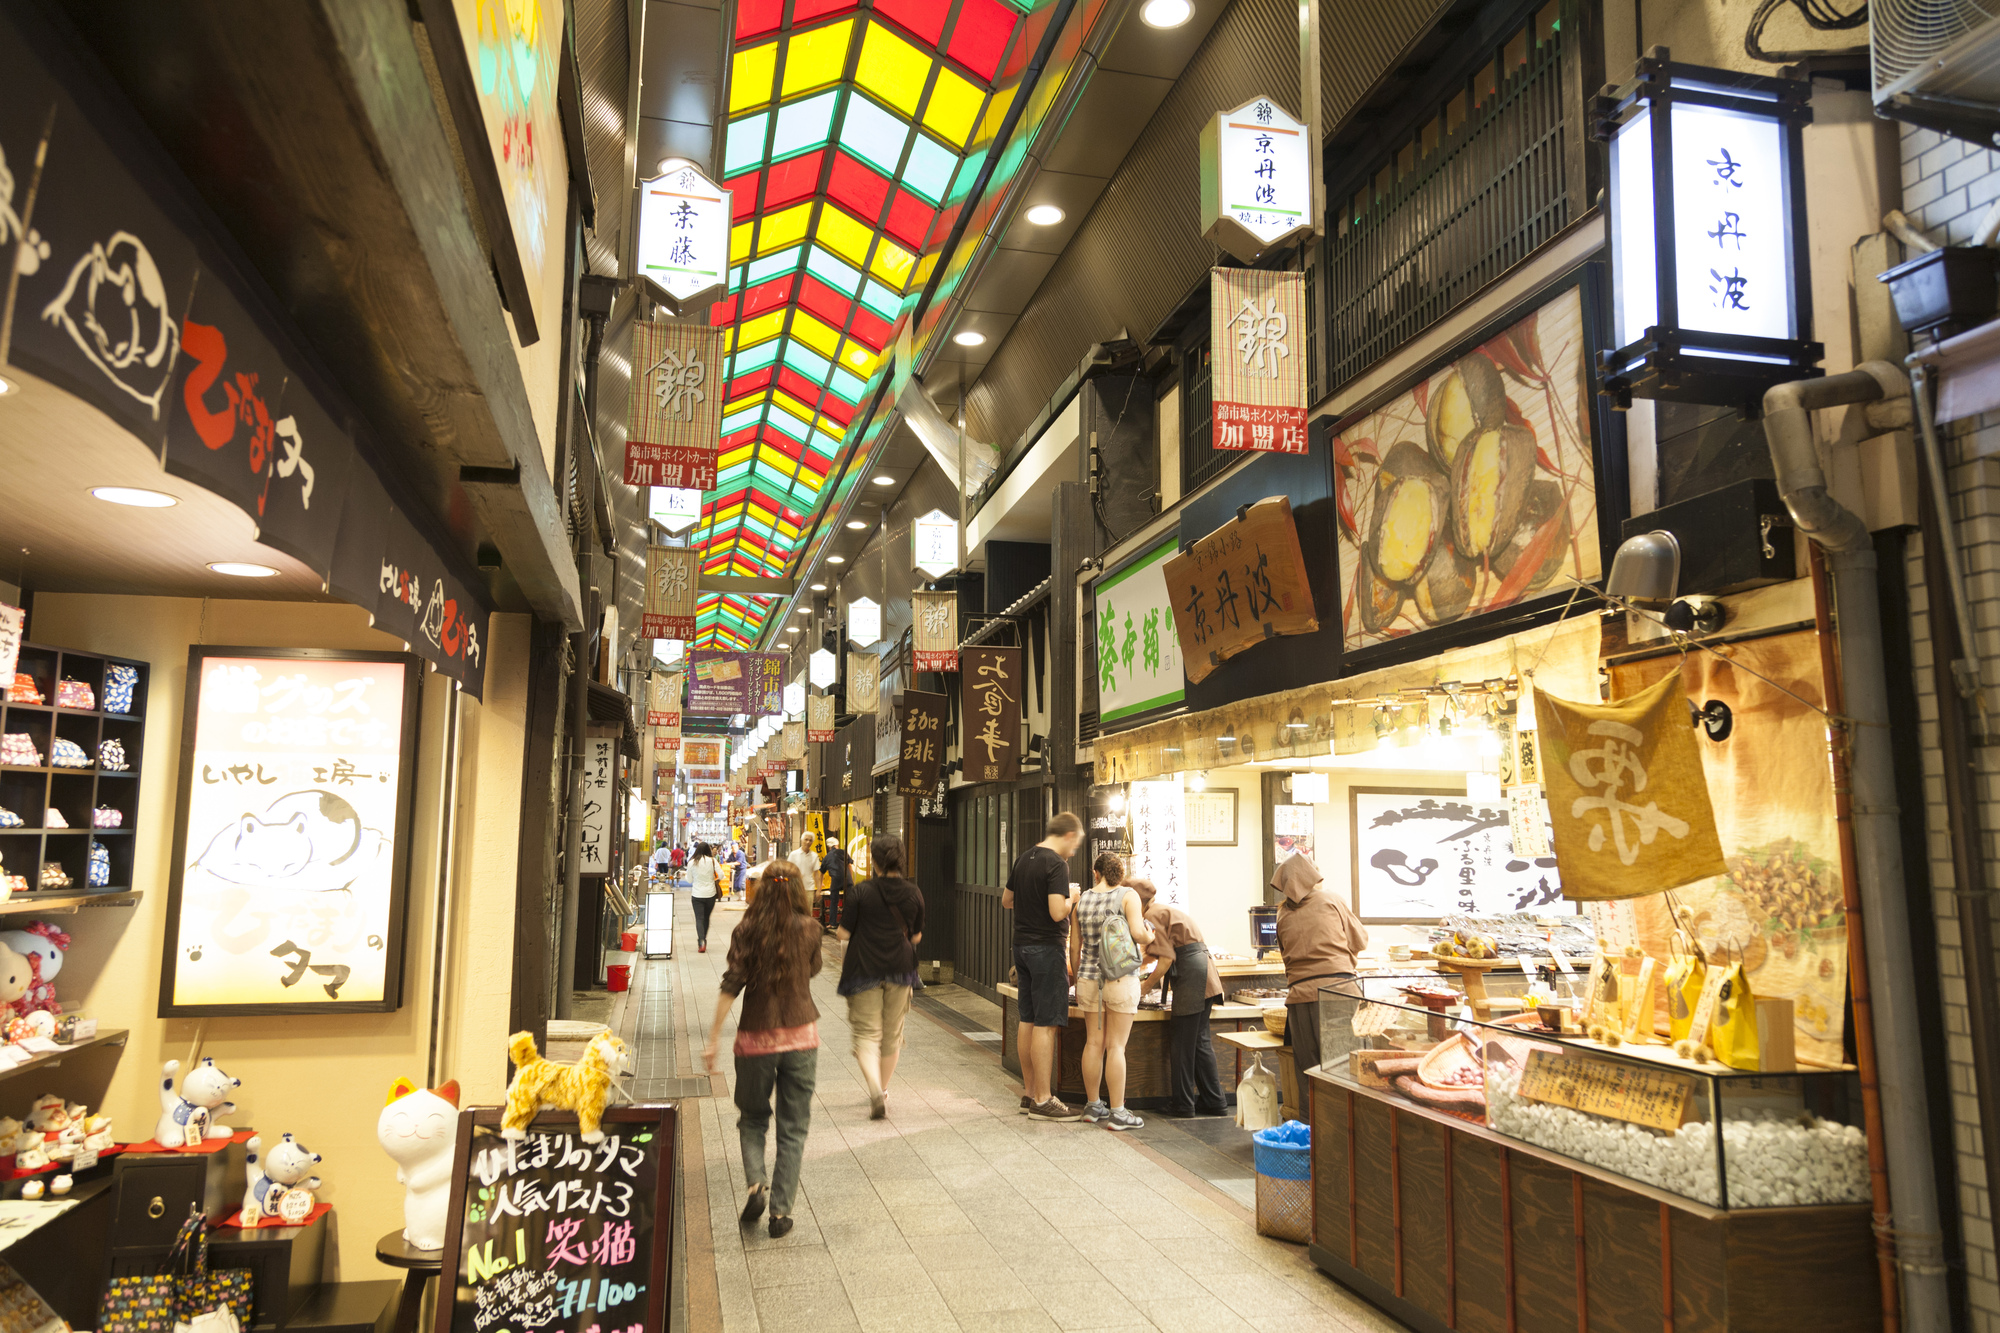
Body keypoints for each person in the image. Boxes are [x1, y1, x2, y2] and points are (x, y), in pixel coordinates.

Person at [703, 859, 820, 1240]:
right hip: (801, 1037)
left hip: (755, 1038)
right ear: (798, 890)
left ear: (762, 890)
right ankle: (781, 1213)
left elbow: (731, 984)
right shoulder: (811, 929)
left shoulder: (747, 929)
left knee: (753, 1118)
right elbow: (813, 969)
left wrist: (713, 1038)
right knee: (793, 1127)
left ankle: (756, 1184)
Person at [1001, 811, 1084, 1121]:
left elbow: (1006, 901)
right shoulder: (1056, 864)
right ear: (1068, 836)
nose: (1074, 851)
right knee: (1046, 1023)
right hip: (1046, 950)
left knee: (1028, 1018)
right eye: (1075, 844)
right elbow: (1056, 912)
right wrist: (1072, 898)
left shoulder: (1024, 858)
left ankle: (1030, 1092)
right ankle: (1044, 1099)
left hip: (1020, 947)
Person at [836, 832, 924, 1120]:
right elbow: (917, 936)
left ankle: (874, 1088)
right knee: (891, 1036)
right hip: (900, 969)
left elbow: (843, 933)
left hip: (863, 968)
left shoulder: (860, 892)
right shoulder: (914, 893)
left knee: (866, 1034)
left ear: (873, 861)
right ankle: (882, 1090)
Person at [1067, 852, 1154, 1130]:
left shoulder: (1082, 901)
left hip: (1089, 979)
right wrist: (1151, 935)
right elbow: (1139, 934)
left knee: (1093, 1042)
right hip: (1119, 978)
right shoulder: (1128, 896)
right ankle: (1118, 1112)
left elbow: (1074, 947)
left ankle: (1093, 1106)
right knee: (1116, 1046)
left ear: (1096, 873)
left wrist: (1079, 975)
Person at [1132, 878, 1229, 1118]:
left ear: (1136, 902)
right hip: (1203, 972)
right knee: (1199, 1041)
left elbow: (1165, 960)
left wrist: (1144, 987)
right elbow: (1161, 954)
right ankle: (1215, 1101)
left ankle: (1183, 1104)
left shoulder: (1152, 915)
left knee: (1182, 1043)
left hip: (1192, 976)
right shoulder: (1162, 910)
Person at [1272, 851, 1368, 1080]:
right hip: (1339, 993)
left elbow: (1286, 957)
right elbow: (1360, 940)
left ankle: (1309, 1117)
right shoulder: (1331, 900)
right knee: (1345, 1069)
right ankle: (1343, 1118)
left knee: (1309, 1073)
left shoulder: (1282, 913)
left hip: (1299, 999)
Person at [687, 841, 722, 953]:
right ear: (708, 850)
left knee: (699, 918)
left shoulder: (692, 862)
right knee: (706, 918)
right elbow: (721, 875)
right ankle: (703, 939)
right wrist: (713, 880)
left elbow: (689, 880)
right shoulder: (712, 861)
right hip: (710, 894)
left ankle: (701, 941)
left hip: (697, 894)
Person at [788, 835, 821, 899]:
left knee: (808, 908)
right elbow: (788, 870)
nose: (808, 842)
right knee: (795, 908)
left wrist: (818, 890)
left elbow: (817, 874)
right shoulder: (793, 854)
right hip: (796, 887)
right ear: (801, 840)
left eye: (810, 840)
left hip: (809, 888)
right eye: (806, 839)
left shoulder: (814, 856)